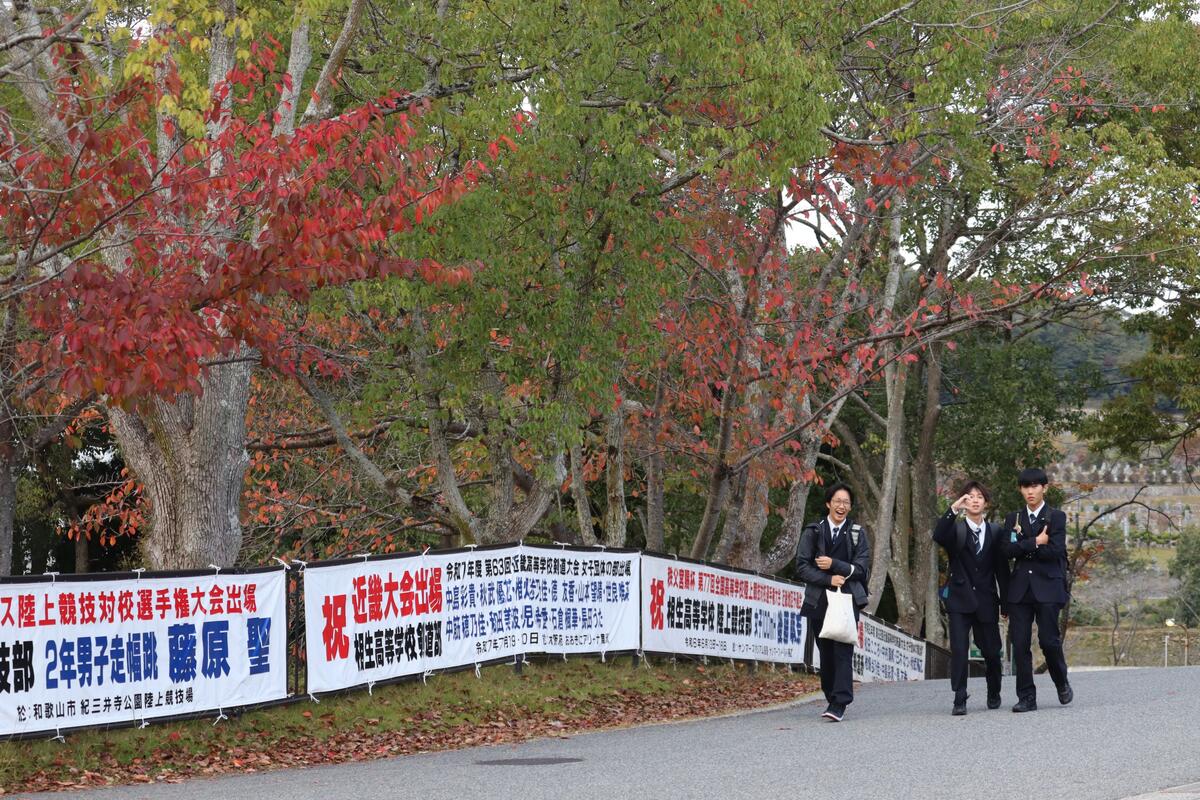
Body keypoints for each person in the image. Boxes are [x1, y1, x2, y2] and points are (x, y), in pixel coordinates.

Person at [794, 482, 871, 722]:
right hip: (818, 601)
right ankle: (831, 697)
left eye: (846, 502)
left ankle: (840, 702)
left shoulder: (857, 533)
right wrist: (828, 579)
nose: (841, 506)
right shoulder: (813, 531)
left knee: (843, 651)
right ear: (828, 503)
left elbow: (862, 569)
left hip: (847, 600)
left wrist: (835, 565)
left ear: (850, 507)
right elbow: (802, 566)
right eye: (837, 501)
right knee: (826, 652)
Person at [933, 480, 1010, 716]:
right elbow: (938, 535)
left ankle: (994, 690)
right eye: (970, 496)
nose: (975, 500)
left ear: (986, 503)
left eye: (979, 497)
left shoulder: (996, 531)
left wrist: (1005, 603)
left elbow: (1002, 570)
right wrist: (953, 508)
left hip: (987, 600)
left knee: (992, 651)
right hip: (959, 599)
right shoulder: (955, 530)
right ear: (964, 501)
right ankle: (959, 696)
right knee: (959, 649)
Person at [1003, 467, 1072, 712]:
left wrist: (1024, 547)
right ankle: (1026, 697)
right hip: (1020, 589)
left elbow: (1056, 550)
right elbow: (1006, 551)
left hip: (1048, 587)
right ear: (1020, 490)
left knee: (1049, 641)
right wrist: (1035, 542)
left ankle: (1061, 681)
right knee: (1020, 643)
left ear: (1045, 488)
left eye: (1035, 486)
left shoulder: (1057, 517)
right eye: (1025, 487)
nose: (1030, 491)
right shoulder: (1013, 518)